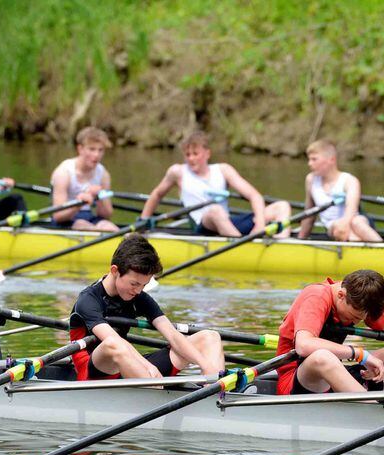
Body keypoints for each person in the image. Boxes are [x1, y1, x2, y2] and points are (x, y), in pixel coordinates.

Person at [68, 234, 224, 380]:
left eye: (144, 285)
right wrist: (148, 366)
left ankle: (216, 391)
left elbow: (173, 335)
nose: (138, 290)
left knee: (210, 337)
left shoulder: (138, 296)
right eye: (134, 284)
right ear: (115, 271)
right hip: (94, 373)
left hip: (131, 366)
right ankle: (155, 389)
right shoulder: (88, 300)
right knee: (113, 343)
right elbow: (114, 340)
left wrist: (205, 365)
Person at [274, 269, 384, 405]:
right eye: (354, 317)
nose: (357, 321)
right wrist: (360, 354)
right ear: (341, 295)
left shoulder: (365, 299)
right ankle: (372, 414)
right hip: (298, 382)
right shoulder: (316, 296)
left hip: (337, 378)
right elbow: (303, 345)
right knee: (323, 357)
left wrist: (374, 359)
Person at [139, 131, 291, 238]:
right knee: (215, 210)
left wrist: (260, 223)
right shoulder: (177, 172)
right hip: (203, 226)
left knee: (282, 206)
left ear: (207, 154)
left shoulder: (223, 170)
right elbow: (157, 194)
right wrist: (143, 221)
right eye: (187, 155)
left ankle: (283, 243)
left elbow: (254, 196)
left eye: (195, 154)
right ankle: (242, 247)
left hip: (226, 222)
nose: (191, 159)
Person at [298, 140, 381, 242]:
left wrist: (344, 224)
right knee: (339, 227)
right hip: (333, 228)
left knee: (356, 222)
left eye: (314, 159)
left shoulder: (349, 181)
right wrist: (300, 240)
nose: (309, 164)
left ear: (331, 160)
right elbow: (309, 215)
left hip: (354, 222)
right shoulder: (311, 180)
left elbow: (351, 211)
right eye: (309, 159)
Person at [49, 126, 117, 231]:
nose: (97, 155)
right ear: (80, 149)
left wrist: (100, 198)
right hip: (64, 220)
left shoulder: (103, 174)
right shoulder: (63, 173)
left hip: (88, 216)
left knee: (110, 228)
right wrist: (78, 204)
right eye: (92, 149)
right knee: (83, 224)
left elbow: (106, 215)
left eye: (101, 150)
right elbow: (58, 215)